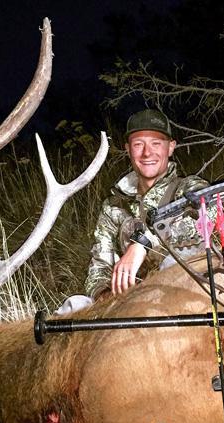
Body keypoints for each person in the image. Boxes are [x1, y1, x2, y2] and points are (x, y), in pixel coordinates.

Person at [84, 109, 208, 301]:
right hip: (131, 303)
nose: (147, 152)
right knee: (75, 304)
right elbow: (100, 266)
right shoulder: (113, 206)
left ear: (171, 147)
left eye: (156, 143)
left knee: (172, 265)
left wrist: (143, 244)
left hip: (184, 299)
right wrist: (104, 295)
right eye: (138, 144)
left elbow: (205, 215)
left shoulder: (190, 189)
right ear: (128, 149)